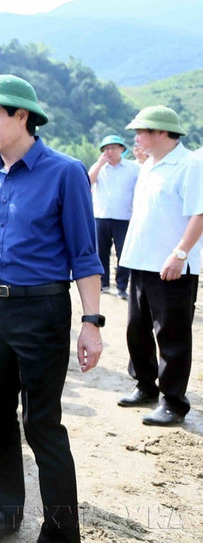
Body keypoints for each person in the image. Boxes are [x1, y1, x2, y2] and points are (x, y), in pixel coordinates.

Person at [0, 74, 104, 543]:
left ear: (22, 116)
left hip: (41, 310)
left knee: (42, 424)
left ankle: (62, 531)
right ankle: (5, 512)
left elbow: (84, 254)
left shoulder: (65, 172)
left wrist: (91, 322)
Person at [117, 105, 203, 426]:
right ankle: (145, 385)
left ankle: (173, 401)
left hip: (172, 264)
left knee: (172, 335)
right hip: (141, 260)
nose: (137, 137)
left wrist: (180, 254)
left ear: (161, 132)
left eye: (142, 131)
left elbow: (200, 213)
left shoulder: (190, 164)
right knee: (136, 329)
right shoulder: (149, 165)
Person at [88, 135, 140, 300]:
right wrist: (99, 164)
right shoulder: (99, 167)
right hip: (101, 216)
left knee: (123, 253)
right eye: (106, 149)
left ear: (122, 150)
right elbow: (87, 181)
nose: (109, 152)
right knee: (101, 252)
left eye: (113, 148)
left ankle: (122, 286)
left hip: (124, 217)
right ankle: (103, 284)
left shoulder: (132, 168)